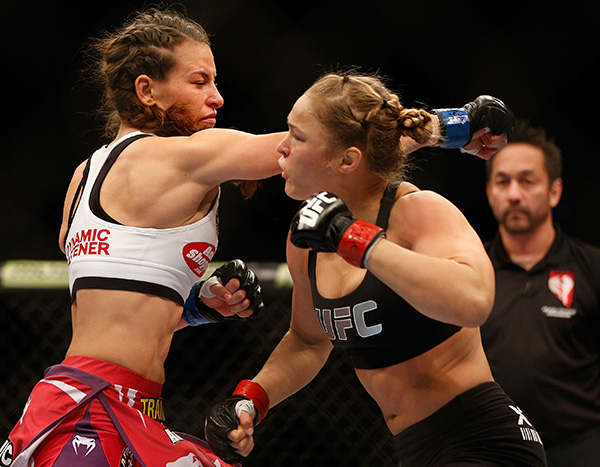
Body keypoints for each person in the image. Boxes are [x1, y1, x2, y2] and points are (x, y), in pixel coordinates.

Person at [2, 7, 524, 466]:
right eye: (199, 81)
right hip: (99, 409)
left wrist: (195, 306)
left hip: (81, 398)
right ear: (147, 90)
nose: (218, 96)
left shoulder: (82, 177)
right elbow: (320, 147)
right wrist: (456, 125)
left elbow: (108, 302)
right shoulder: (177, 155)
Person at [204, 72, 548, 466]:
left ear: (347, 159)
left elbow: (474, 301)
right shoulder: (308, 238)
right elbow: (308, 340)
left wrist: (356, 238)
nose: (281, 147)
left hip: (484, 440)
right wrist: (252, 398)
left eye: (297, 137)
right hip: (415, 448)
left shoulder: (417, 211)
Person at [480, 121, 600, 467]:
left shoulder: (591, 268)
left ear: (554, 191)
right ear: (489, 192)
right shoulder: (469, 271)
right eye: (503, 181)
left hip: (578, 450)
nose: (514, 193)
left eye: (527, 180)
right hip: (493, 449)